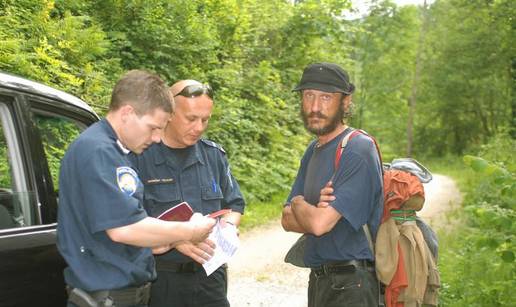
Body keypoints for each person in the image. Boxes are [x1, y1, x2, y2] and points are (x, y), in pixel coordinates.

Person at [57, 70, 216, 307]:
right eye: (153, 128)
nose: (157, 138)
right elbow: (124, 229)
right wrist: (190, 231)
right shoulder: (99, 151)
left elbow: (112, 228)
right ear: (127, 113)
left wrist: (158, 242)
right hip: (107, 297)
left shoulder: (116, 152)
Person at [131, 79, 245, 307]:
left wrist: (228, 228)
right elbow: (128, 222)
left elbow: (234, 205)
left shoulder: (213, 156)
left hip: (211, 277)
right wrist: (176, 238)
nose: (199, 127)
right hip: (161, 279)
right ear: (169, 113)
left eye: (205, 120)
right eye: (191, 119)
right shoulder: (140, 156)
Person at [281, 62, 384, 307]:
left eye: (326, 97)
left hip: (352, 285)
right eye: (309, 96)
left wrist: (299, 203)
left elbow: (318, 224)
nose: (315, 107)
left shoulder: (358, 149)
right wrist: (311, 208)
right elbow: (286, 220)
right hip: (320, 280)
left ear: (345, 102)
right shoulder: (313, 150)